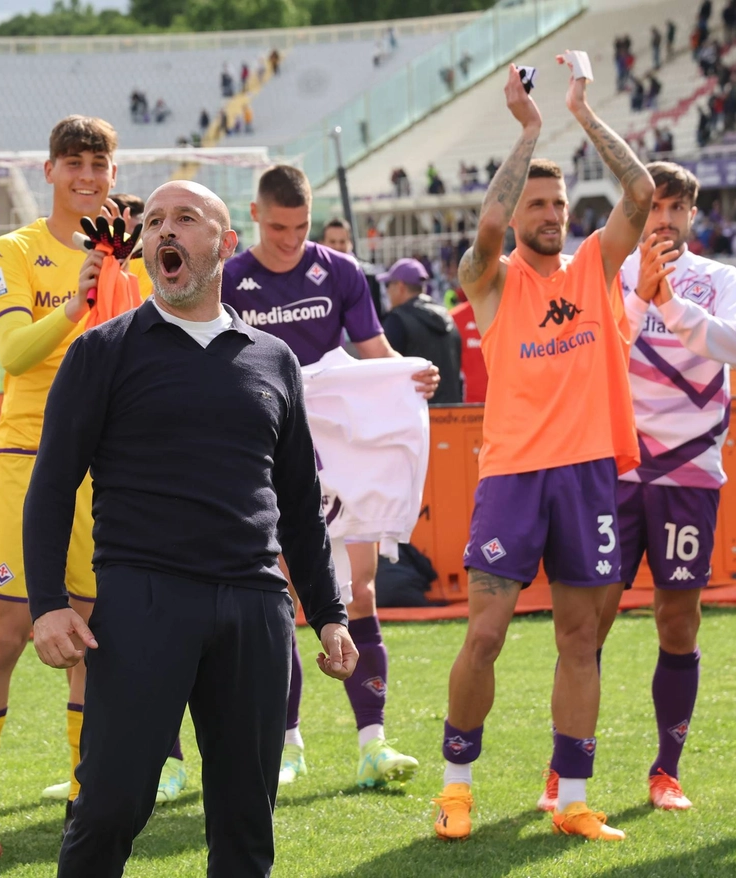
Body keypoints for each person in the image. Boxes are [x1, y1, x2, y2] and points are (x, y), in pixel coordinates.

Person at [25, 179, 356, 878]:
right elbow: (52, 487)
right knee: (111, 804)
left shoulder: (273, 361)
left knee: (245, 821)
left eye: (186, 218)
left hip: (256, 607)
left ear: (226, 245)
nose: (164, 231)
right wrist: (48, 604)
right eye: (153, 222)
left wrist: (328, 614)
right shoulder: (103, 352)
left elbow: (298, 505)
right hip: (143, 600)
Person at [435, 57, 647, 843]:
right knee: (485, 634)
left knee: (580, 638)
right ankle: (456, 785)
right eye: (539, 202)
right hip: (514, 476)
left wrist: (581, 111)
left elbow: (642, 195)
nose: (552, 212)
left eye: (559, 202)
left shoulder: (596, 261)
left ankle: (574, 798)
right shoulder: (489, 280)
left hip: (587, 472)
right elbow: (487, 231)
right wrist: (529, 129)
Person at [0, 115, 150, 859]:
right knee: (6, 631)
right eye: (73, 164)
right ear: (50, 172)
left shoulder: (127, 260)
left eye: (98, 165)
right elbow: (10, 353)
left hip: (108, 468)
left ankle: (82, 802)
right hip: (31, 455)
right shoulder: (16, 251)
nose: (88, 177)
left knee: (94, 638)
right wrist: (76, 303)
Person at [224, 164, 439, 790]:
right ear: (257, 217)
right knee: (284, 600)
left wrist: (409, 374)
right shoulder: (234, 278)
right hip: (269, 449)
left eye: (302, 227)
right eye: (280, 227)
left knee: (361, 592)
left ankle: (374, 743)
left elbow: (374, 351)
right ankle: (288, 744)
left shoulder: (339, 271)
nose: (291, 240)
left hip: (343, 450)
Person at [573, 162, 736, 812]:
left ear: (693, 217)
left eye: (677, 209)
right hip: (615, 467)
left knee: (677, 619)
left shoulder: (720, 280)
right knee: (589, 620)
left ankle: (665, 772)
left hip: (689, 473)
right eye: (654, 208)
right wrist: (639, 296)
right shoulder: (606, 273)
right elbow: (590, 356)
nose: (665, 220)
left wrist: (669, 301)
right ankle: (566, 772)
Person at [379, 258, 462, 404]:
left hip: (416, 415)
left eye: (388, 285)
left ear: (400, 286)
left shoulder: (396, 320)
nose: (387, 291)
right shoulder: (448, 317)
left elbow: (385, 376)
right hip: (452, 415)